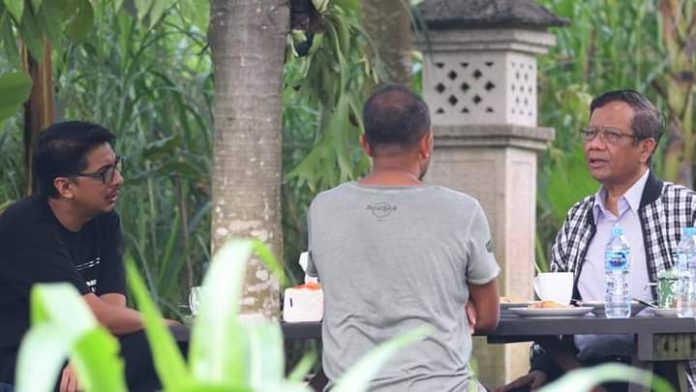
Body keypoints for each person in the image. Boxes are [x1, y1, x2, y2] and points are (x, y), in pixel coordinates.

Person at [498, 89, 696, 392]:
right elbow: (554, 313)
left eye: (611, 135)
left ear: (645, 149)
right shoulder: (578, 218)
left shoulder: (685, 210)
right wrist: (546, 371)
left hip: (664, 371)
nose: (594, 145)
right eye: (590, 133)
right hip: (581, 371)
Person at [306, 85, 501, 391]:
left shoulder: (324, 208)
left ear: (365, 145)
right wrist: (458, 304)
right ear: (426, 143)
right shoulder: (463, 211)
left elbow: (325, 290)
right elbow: (488, 316)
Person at [0, 121, 180, 392]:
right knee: (170, 339)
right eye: (104, 173)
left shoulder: (105, 220)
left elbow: (111, 309)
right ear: (65, 187)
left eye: (116, 166)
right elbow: (97, 315)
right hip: (25, 359)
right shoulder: (25, 225)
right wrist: (167, 324)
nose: (118, 179)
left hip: (79, 344)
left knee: (169, 351)